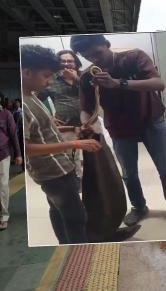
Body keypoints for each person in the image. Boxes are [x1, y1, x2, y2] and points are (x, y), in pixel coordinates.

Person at [70, 34, 166, 229]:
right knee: (128, 173)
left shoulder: (133, 58)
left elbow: (159, 83)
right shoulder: (87, 77)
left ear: (107, 45)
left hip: (151, 121)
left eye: (97, 53)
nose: (94, 59)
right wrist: (85, 123)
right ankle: (139, 207)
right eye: (88, 56)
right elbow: (85, 108)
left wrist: (119, 83)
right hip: (119, 127)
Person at [21, 45, 102, 244]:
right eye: (46, 76)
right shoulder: (23, 104)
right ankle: (79, 256)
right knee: (76, 216)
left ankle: (64, 244)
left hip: (57, 166)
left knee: (57, 210)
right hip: (52, 171)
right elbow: (27, 147)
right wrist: (74, 144)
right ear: (26, 72)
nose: (48, 81)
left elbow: (40, 132)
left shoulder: (31, 95)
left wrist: (63, 129)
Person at [37, 50, 83, 184]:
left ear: (75, 63)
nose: (66, 64)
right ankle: (76, 184)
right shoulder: (51, 80)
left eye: (70, 61)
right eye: (63, 61)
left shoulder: (84, 77)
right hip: (66, 126)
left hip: (89, 124)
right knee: (70, 157)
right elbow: (35, 99)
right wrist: (48, 116)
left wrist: (76, 79)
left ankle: (94, 183)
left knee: (94, 156)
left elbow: (93, 93)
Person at [0, 97, 22, 230]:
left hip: (2, 154)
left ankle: (3, 216)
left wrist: (18, 154)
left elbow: (13, 134)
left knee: (2, 185)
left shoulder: (6, 114)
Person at [12, 99, 24, 171]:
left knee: (22, 150)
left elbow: (18, 124)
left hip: (20, 133)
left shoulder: (21, 112)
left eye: (18, 103)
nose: (17, 104)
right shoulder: (14, 112)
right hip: (17, 132)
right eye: (15, 103)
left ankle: (23, 168)